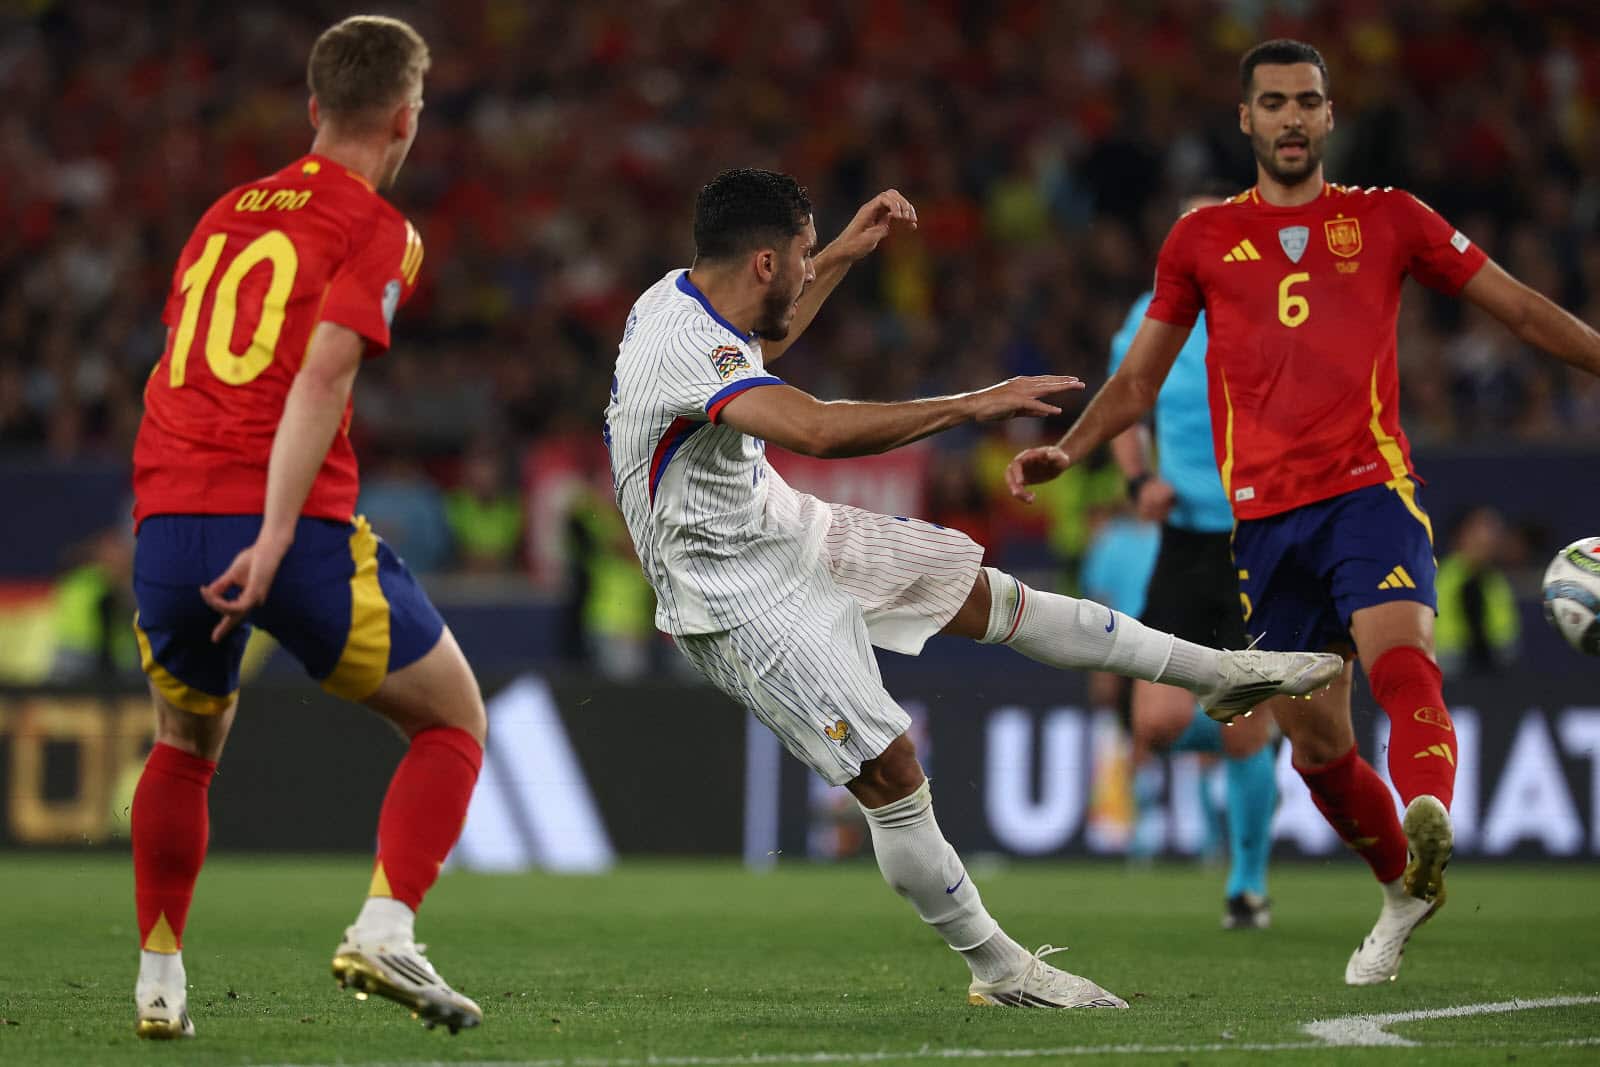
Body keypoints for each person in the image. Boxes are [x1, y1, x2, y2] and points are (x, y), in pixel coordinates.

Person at [605, 168, 1341, 1009]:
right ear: (767, 261)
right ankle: (1000, 967)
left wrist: (840, 249)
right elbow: (810, 426)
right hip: (733, 597)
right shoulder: (685, 348)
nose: (811, 270)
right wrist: (971, 404)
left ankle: (1217, 673)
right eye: (805, 256)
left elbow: (758, 341)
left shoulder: (680, 294)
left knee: (991, 596)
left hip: (780, 527)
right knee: (891, 771)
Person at [1006, 40, 1600, 986]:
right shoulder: (1200, 243)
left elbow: (1519, 309)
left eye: (1308, 102)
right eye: (1273, 102)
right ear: (1246, 119)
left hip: (1369, 489)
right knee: (1317, 746)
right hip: (1265, 526)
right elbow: (1138, 380)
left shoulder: (1390, 218)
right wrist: (1070, 449)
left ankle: (1427, 809)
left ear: (1330, 119)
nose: (1291, 117)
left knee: (1402, 658)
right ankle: (1405, 887)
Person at [128, 16, 484, 1038]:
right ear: (408, 117)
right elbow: (325, 369)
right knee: (452, 718)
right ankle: (385, 923)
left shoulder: (220, 213)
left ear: (315, 106)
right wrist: (280, 531)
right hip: (284, 522)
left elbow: (177, 367)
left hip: (167, 519)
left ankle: (160, 979)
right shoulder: (378, 227)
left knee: (184, 741)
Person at [1108, 182, 1280, 930]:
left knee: (1242, 724)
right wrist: (1139, 477)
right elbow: (1123, 403)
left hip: (1255, 537)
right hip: (1183, 541)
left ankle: (1247, 883)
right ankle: (1253, 726)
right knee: (1156, 718)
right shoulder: (1146, 321)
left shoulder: (1272, 314)